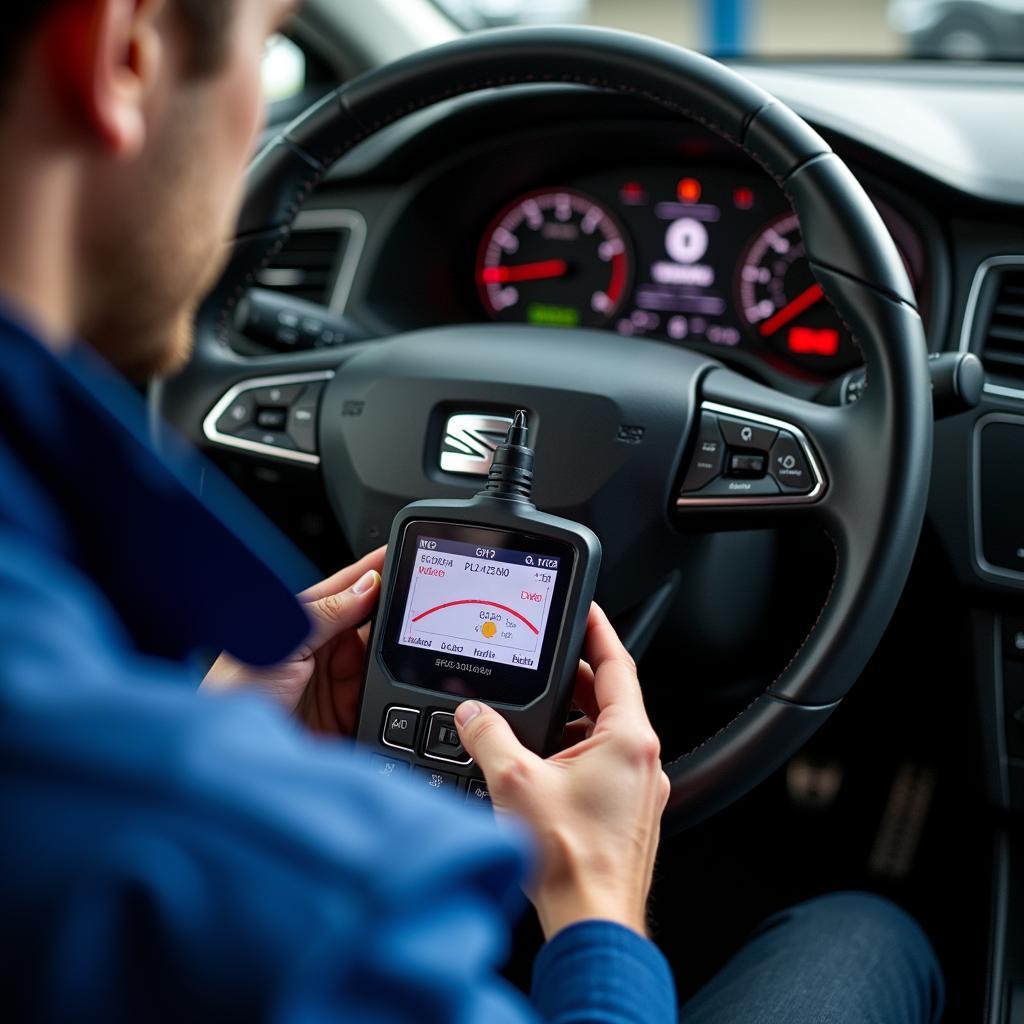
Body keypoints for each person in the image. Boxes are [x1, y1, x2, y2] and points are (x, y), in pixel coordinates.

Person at [0, 1, 944, 1021]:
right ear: (123, 52)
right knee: (866, 929)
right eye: (270, 50)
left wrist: (212, 727)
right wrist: (595, 901)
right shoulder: (282, 883)